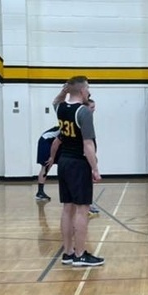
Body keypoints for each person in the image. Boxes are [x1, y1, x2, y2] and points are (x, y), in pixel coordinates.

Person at [53, 78, 103, 267]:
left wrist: (63, 91)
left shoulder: (60, 108)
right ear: (82, 91)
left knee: (67, 209)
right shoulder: (83, 112)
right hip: (78, 164)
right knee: (82, 210)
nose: (89, 91)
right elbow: (88, 144)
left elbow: (55, 101)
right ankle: (81, 254)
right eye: (87, 88)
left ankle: (68, 253)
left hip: (64, 162)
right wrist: (95, 169)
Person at [34, 125, 59, 201]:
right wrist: (52, 156)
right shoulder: (65, 129)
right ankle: (40, 192)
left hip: (50, 141)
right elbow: (56, 142)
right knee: (46, 165)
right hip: (45, 141)